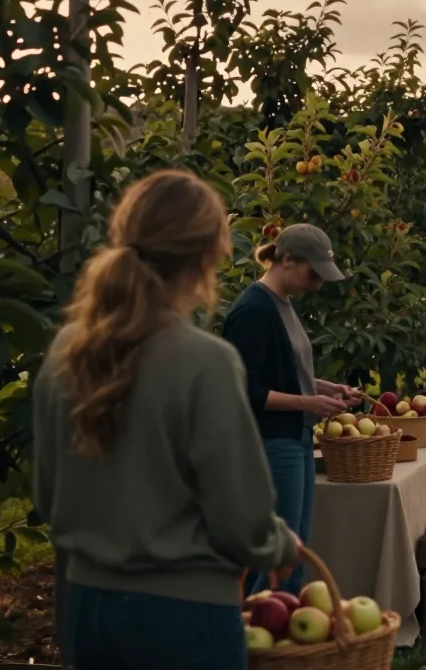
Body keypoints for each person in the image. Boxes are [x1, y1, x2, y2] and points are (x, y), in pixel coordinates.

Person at [33, 170, 299, 670]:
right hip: (182, 616)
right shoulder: (205, 362)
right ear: (210, 254)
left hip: (86, 607)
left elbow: (49, 495)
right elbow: (240, 516)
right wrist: (277, 542)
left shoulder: (68, 352)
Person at [223, 224, 359, 596]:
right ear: (286, 260)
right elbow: (244, 389)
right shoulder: (253, 311)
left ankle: (280, 639)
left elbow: (281, 372)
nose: (317, 284)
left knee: (293, 550)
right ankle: (255, 634)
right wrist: (307, 402)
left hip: (295, 438)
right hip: (272, 442)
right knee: (275, 557)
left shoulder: (282, 306)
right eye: (312, 273)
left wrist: (323, 387)